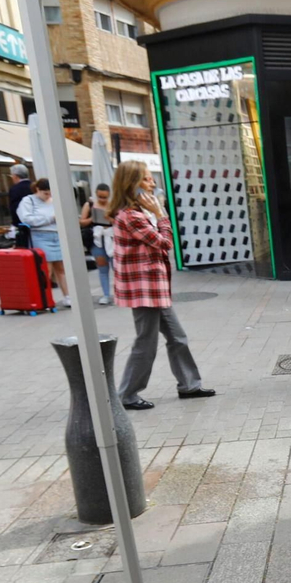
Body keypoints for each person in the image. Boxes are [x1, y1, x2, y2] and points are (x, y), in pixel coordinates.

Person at [109, 160, 213, 408]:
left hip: (155, 289)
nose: (152, 183)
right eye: (146, 179)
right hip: (144, 290)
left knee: (177, 337)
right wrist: (161, 215)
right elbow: (164, 243)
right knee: (146, 343)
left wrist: (156, 215)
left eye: (150, 178)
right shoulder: (131, 216)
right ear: (131, 184)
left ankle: (189, 385)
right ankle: (127, 395)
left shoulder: (139, 214)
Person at [18, 178, 71, 309]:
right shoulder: (28, 201)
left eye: (50, 193)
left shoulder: (54, 200)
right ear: (37, 190)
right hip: (40, 235)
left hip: (57, 234)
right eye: (45, 193)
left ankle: (67, 296)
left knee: (61, 268)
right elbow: (26, 219)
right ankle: (46, 298)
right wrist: (50, 218)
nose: (48, 196)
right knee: (45, 269)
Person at [81, 182, 115, 305]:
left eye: (105, 197)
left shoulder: (113, 205)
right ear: (96, 194)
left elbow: (118, 222)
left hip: (111, 237)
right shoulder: (89, 205)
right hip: (96, 238)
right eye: (100, 197)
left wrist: (109, 219)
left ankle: (119, 293)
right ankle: (106, 294)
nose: (102, 199)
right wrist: (93, 218)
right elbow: (82, 222)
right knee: (102, 268)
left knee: (116, 267)